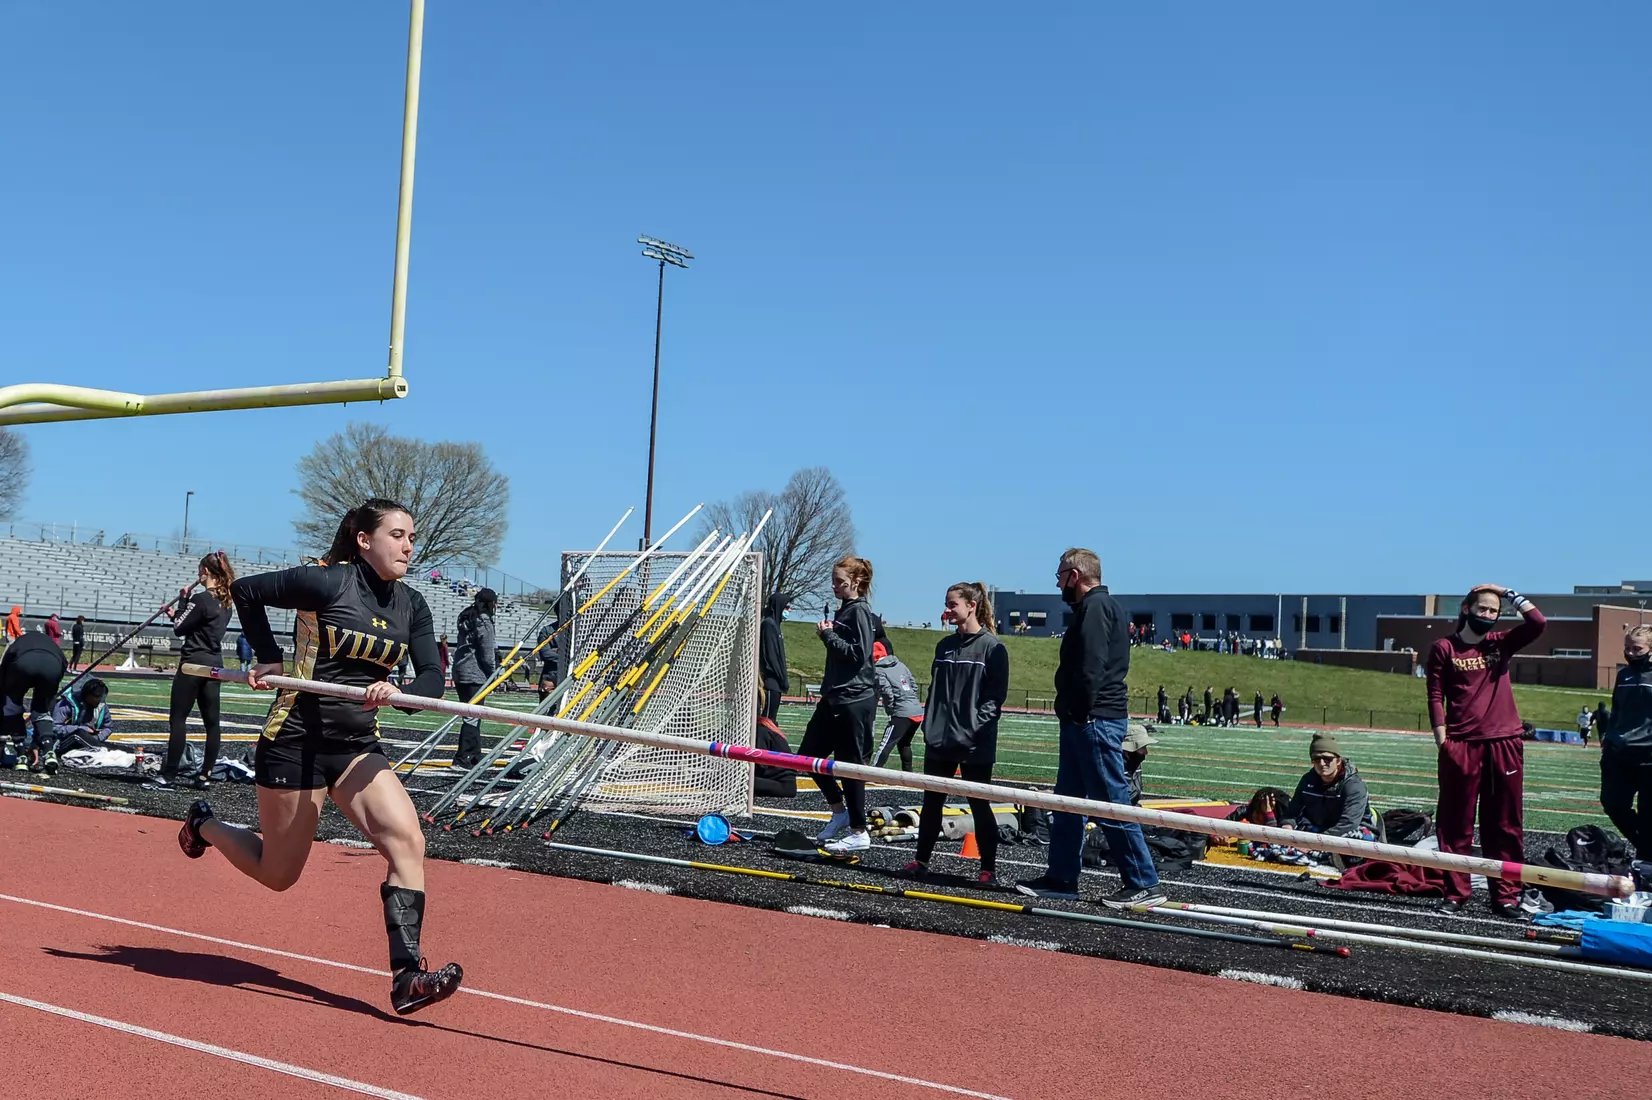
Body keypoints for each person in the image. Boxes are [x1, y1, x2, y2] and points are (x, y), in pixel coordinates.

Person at [187, 498, 460, 1015]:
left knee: (408, 842)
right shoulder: (328, 583)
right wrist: (267, 656)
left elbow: (432, 677)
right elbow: (246, 591)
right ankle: (204, 825)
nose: (408, 545)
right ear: (364, 540)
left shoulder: (412, 604)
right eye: (397, 535)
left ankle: (407, 976)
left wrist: (400, 689)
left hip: (356, 746)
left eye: (411, 537)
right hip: (296, 741)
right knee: (279, 874)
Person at [1016, 548, 1164, 908]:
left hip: (1094, 720)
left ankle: (1144, 882)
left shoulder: (1096, 609)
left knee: (1112, 803)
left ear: (1075, 575)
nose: (1057, 584)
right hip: (1086, 720)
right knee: (1066, 803)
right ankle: (1062, 878)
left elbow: (1091, 667)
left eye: (1059, 576)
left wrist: (1080, 711)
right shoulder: (1095, 608)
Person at [1426, 583, 1545, 917]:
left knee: (1505, 823)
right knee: (1454, 824)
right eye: (1484, 609)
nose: (1489, 616)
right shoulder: (1444, 648)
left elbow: (1538, 623)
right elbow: (1436, 695)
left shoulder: (1501, 643)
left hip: (1504, 743)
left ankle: (1506, 896)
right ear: (1467, 609)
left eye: (1494, 611)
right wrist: (1443, 741)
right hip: (1461, 746)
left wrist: (1507, 593)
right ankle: (1455, 893)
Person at [899, 581, 1008, 884]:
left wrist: (971, 730)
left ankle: (988, 868)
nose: (947, 610)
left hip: (974, 743)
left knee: (979, 804)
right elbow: (936, 691)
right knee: (931, 803)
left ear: (971, 606)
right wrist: (931, 725)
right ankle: (921, 861)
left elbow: (994, 699)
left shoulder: (992, 648)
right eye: (946, 604)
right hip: (940, 739)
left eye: (952, 605)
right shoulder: (944, 646)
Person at [805, 556, 879, 854]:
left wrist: (827, 635)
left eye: (840, 582)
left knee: (850, 766)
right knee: (809, 756)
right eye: (833, 581)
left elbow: (859, 655)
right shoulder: (844, 610)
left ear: (857, 582)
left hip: (855, 699)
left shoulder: (860, 612)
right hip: (834, 696)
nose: (834, 586)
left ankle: (859, 830)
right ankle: (839, 812)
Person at [162, 552, 236, 789]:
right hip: (214, 664)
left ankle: (169, 775)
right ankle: (205, 775)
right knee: (212, 723)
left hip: (193, 663)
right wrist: (178, 611)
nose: (198, 575)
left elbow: (179, 628)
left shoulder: (201, 598)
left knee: (178, 720)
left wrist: (184, 600)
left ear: (205, 572)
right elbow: (195, 625)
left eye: (199, 571)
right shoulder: (226, 602)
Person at [1600, 626, 1652, 862]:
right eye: (1627, 648)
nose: (1631, 653)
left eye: (1637, 648)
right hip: (1619, 752)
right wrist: (1609, 738)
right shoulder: (1623, 675)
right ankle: (1647, 849)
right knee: (1612, 804)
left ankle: (1646, 861)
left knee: (1649, 814)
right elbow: (1617, 709)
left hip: (1649, 756)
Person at [1283, 733, 1373, 839]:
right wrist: (1287, 826)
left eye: (1328, 759)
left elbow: (1348, 824)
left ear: (1338, 761)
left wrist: (1317, 843)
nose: (1322, 763)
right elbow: (1293, 812)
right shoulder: (1307, 780)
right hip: (1320, 830)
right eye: (1316, 759)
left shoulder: (1353, 785)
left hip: (1351, 833)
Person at [2, 631, 65, 772]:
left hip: (23, 664)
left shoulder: (17, 644)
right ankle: (49, 752)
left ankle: (21, 756)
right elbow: (63, 665)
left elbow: (4, 672)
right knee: (42, 710)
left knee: (12, 707)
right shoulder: (51, 644)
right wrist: (49, 696)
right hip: (53, 666)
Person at [450, 587, 498, 768]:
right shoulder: (484, 621)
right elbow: (487, 653)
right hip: (475, 673)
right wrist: (493, 672)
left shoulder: (466, 615)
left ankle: (475, 754)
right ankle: (463, 756)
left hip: (460, 670)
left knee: (471, 715)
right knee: (472, 716)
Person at [871, 635, 924, 770]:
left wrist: (890, 710)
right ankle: (908, 773)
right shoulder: (901, 664)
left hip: (902, 712)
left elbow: (887, 692)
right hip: (917, 710)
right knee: (904, 744)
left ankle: (874, 771)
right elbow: (913, 684)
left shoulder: (879, 670)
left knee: (886, 743)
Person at [50, 676, 113, 754]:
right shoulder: (65, 705)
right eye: (92, 700)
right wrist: (81, 729)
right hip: (64, 742)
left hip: (91, 741)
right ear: (85, 695)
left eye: (98, 700)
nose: (95, 703)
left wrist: (97, 738)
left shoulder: (102, 705)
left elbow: (108, 727)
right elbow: (54, 728)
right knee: (80, 734)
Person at [759, 591, 793, 722]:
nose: (790, 610)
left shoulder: (776, 627)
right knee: (767, 720)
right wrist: (782, 678)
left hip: (776, 684)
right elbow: (771, 657)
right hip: (770, 682)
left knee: (772, 719)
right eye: (787, 607)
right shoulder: (768, 625)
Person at [1121, 725, 1157, 804]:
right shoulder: (1118, 766)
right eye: (1142, 747)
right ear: (1128, 750)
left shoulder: (1134, 763)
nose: (1146, 752)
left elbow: (1136, 794)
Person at [535, 618, 560, 703]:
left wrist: (557, 652)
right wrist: (564, 656)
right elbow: (545, 653)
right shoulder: (547, 630)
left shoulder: (579, 629)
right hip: (551, 674)